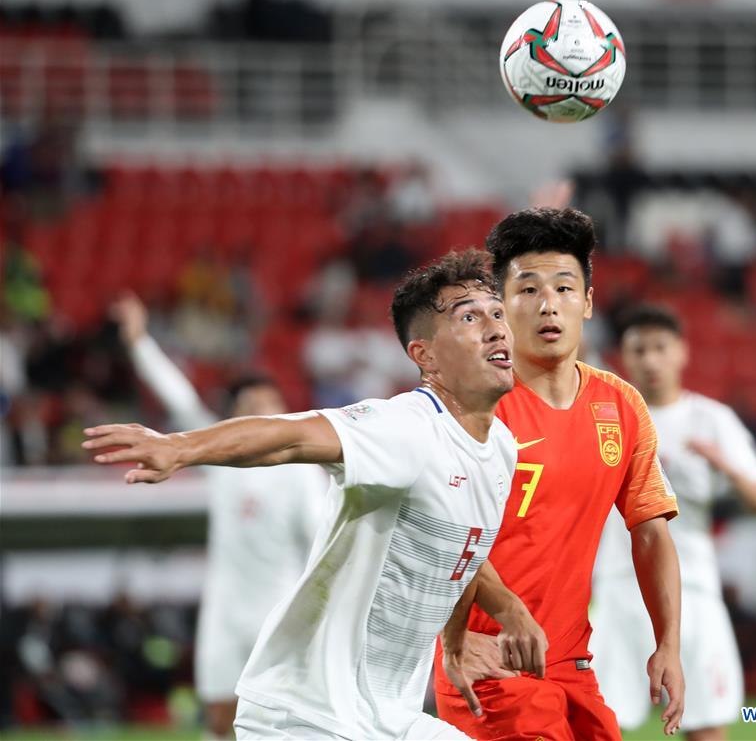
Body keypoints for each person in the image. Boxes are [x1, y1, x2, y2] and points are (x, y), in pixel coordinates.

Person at [84, 250, 547, 740]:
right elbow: (292, 436)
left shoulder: (500, 448)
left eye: (497, 313)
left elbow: (461, 546)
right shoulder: (405, 428)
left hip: (390, 716)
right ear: (425, 356)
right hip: (309, 715)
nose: (497, 328)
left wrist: (492, 618)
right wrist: (180, 446)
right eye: (470, 317)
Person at [434, 208, 685, 739]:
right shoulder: (471, 408)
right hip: (490, 663)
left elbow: (650, 531)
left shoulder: (620, 405)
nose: (549, 304)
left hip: (572, 665)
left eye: (565, 288)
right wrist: (453, 635)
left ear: (588, 303)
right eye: (527, 290)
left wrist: (668, 645)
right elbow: (438, 533)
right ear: (500, 306)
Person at [109, 292, 329, 739]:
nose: (259, 412)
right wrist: (139, 341)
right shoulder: (221, 463)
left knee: (285, 722)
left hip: (282, 608)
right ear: (233, 418)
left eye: (267, 403)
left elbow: (320, 539)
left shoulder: (304, 468)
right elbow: (181, 400)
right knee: (218, 720)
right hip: (225, 610)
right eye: (249, 406)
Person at [591, 304, 756, 741]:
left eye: (660, 347)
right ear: (624, 357)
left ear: (682, 352)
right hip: (620, 590)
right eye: (639, 350)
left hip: (694, 589)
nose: (651, 360)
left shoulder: (712, 421)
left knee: (705, 724)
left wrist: (726, 467)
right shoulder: (607, 418)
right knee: (599, 724)